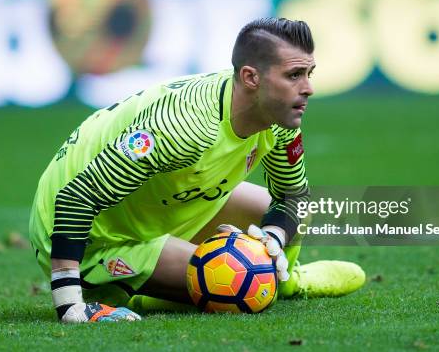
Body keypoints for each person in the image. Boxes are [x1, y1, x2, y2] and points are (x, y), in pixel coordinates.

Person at [29, 17, 365, 323]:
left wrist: (273, 239)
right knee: (241, 286)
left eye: (309, 74)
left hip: (165, 205)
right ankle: (119, 290)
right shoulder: (184, 129)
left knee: (282, 218)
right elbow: (75, 197)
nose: (308, 88)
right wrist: (68, 303)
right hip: (90, 237)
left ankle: (286, 282)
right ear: (251, 77)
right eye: (294, 75)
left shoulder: (278, 118)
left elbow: (293, 195)